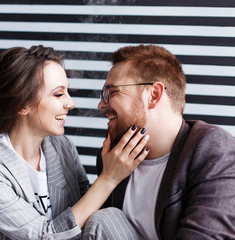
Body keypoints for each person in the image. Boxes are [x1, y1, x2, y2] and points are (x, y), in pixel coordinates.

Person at [0, 45, 150, 239]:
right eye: (59, 94)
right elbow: (43, 236)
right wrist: (109, 178)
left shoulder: (62, 147)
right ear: (22, 105)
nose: (70, 103)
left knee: (109, 218)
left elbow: (87, 212)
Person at [92, 44, 235, 239]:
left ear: (154, 95)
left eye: (113, 92)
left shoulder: (214, 150)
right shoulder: (112, 160)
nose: (101, 104)